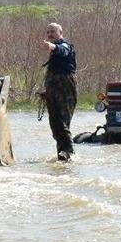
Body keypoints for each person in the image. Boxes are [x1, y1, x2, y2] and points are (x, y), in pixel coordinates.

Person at [40, 22, 77, 161]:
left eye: (53, 32)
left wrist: (52, 46)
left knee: (62, 122)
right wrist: (46, 92)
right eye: (48, 32)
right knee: (54, 124)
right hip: (52, 92)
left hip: (66, 91)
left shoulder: (65, 46)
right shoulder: (53, 54)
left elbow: (62, 49)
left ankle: (69, 153)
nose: (50, 34)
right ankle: (62, 155)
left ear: (60, 33)